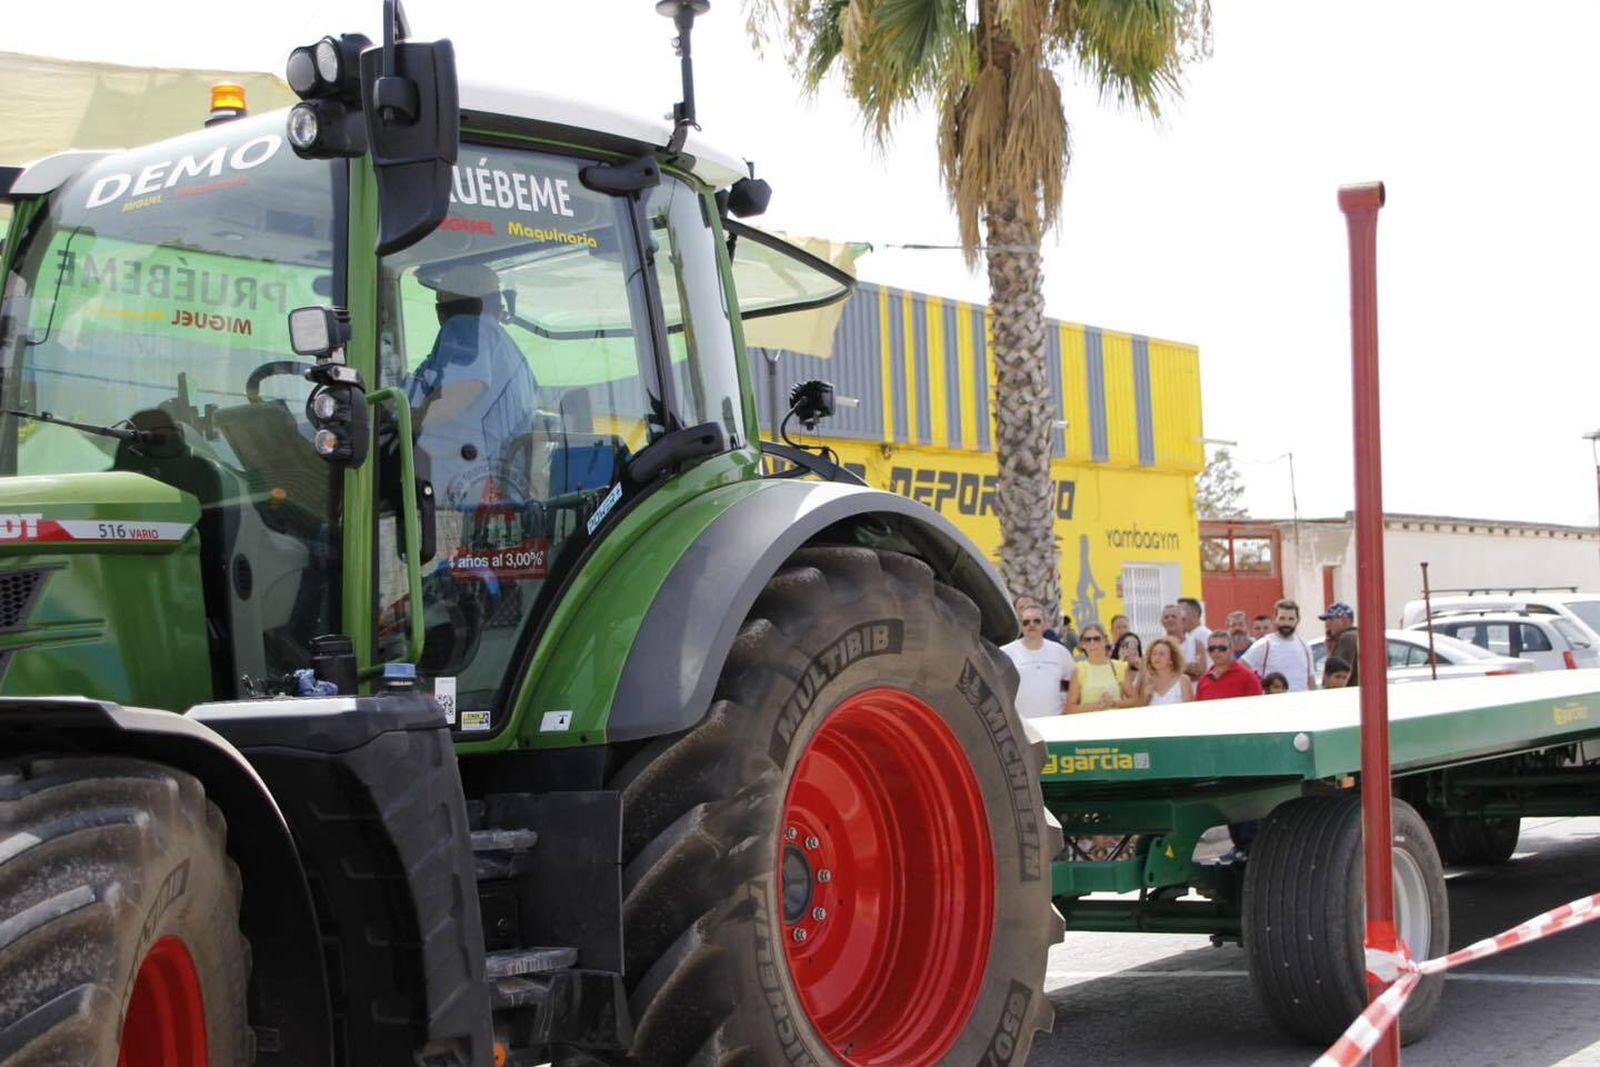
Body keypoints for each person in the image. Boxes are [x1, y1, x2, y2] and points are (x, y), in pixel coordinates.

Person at [406, 262, 539, 510]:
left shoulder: (466, 326)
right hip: (501, 484)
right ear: (498, 306)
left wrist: (409, 423)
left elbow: (462, 389)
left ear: (441, 311)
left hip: (462, 481)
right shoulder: (513, 355)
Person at [1197, 634, 1265, 862]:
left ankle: (1251, 846)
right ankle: (1238, 845)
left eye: (1222, 648)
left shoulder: (1246, 677)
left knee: (1246, 798)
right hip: (1217, 748)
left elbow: (1258, 711)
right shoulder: (1205, 680)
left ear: (1231, 650)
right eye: (1212, 649)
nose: (1217, 653)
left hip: (1242, 746)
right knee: (1229, 799)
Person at [1001, 603, 1076, 718]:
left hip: (1056, 722)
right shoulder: (1005, 653)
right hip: (1021, 725)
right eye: (1026, 622)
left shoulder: (1060, 652)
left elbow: (1072, 684)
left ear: (1045, 624)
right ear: (1020, 626)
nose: (1031, 625)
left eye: (1037, 621)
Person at [1240, 599, 1318, 692]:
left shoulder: (1305, 646)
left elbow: (1311, 681)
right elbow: (1240, 669)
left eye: (1291, 619)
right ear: (1275, 619)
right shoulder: (1264, 644)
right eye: (1282, 618)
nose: (1286, 623)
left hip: (1301, 704)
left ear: (1298, 620)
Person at [1065, 623, 1133, 712]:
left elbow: (1135, 700)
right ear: (1083, 645)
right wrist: (1097, 706)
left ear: (1105, 641)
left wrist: (1114, 703)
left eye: (1096, 639)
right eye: (1087, 640)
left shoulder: (1119, 666)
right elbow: (1070, 708)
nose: (1092, 642)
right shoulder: (1079, 669)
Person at [1197, 632, 1265, 701]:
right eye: (1212, 648)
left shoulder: (1248, 678)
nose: (1216, 652)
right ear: (1208, 651)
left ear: (1232, 649)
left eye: (1222, 648)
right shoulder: (1203, 680)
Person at [1140, 635, 1193, 705]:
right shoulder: (1147, 681)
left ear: (1172, 659)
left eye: (1161, 654)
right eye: (1154, 653)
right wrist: (1146, 697)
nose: (1157, 657)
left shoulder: (1183, 680)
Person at [1320, 602, 1360, 686]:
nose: (1327, 624)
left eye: (1330, 619)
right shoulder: (1357, 635)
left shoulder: (1347, 638)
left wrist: (1331, 654)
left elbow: (1335, 672)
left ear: (1344, 621)